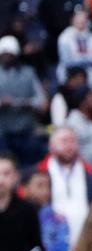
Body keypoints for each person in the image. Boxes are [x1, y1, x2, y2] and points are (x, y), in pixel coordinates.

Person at [39, 127, 92, 251]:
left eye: (73, 141)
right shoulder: (38, 175)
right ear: (51, 145)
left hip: (87, 244)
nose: (69, 146)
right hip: (52, 245)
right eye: (64, 141)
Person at [0, 34, 48, 166]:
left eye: (9, 54)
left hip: (26, 131)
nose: (6, 57)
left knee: (30, 168)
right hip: (3, 132)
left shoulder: (28, 73)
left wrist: (25, 103)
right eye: (3, 54)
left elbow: (41, 101)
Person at [0, 154, 41, 251]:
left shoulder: (27, 209)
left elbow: (37, 247)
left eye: (6, 173)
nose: (1, 180)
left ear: (16, 176)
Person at [56, 9, 92, 89]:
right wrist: (87, 57)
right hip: (69, 73)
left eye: (84, 18)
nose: (81, 20)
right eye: (79, 17)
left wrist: (78, 57)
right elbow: (67, 60)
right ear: (73, 19)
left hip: (89, 75)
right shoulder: (64, 36)